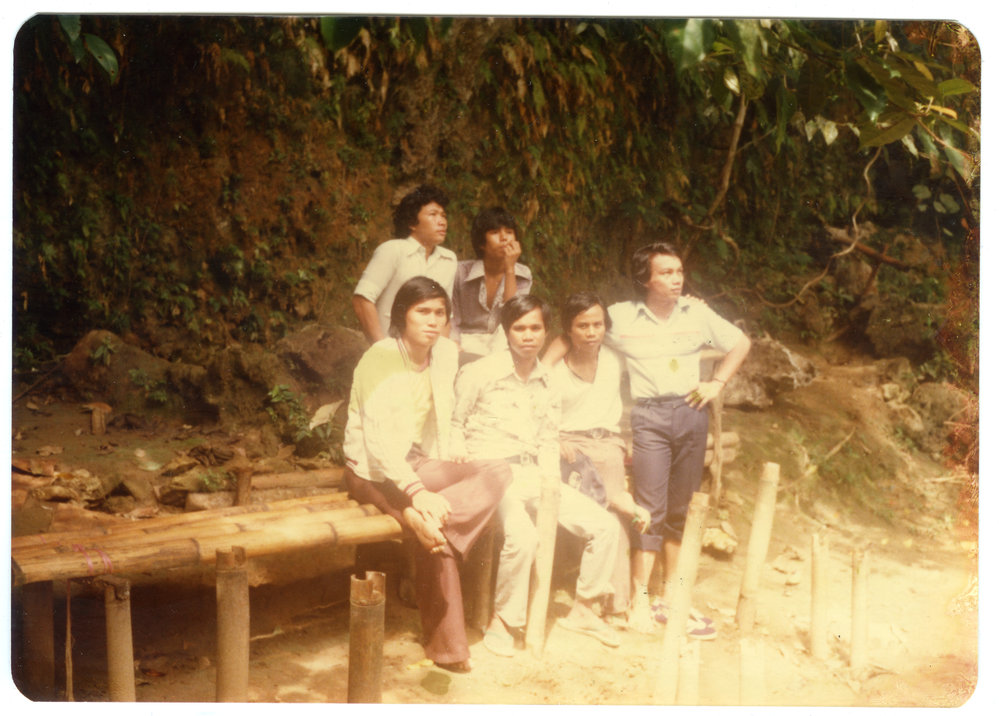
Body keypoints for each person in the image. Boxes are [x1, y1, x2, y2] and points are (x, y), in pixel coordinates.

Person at [342, 276, 512, 673]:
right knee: (438, 541)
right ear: (402, 315)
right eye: (423, 312)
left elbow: (445, 411)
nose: (433, 321)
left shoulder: (446, 353)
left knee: (498, 470)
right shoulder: (380, 358)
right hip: (371, 471)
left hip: (418, 461)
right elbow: (380, 443)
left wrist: (452, 448)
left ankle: (435, 521)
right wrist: (418, 495)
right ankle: (449, 650)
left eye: (440, 313)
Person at [450, 295, 622, 656]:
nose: (528, 336)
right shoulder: (480, 372)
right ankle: (504, 621)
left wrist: (550, 491)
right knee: (524, 537)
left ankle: (584, 609)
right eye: (519, 328)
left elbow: (547, 438)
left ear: (546, 333)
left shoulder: (548, 380)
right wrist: (462, 461)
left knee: (604, 526)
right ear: (506, 331)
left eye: (535, 328)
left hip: (533, 473)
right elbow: (455, 423)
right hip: (490, 474)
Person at [604, 242, 750, 634]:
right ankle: (640, 602)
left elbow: (740, 342)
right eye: (665, 272)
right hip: (649, 415)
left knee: (682, 510)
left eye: (679, 271)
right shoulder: (620, 316)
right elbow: (582, 327)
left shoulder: (696, 313)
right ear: (645, 279)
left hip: (691, 411)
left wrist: (716, 382)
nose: (675, 279)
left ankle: (674, 599)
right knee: (649, 507)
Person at [548, 291, 651, 627]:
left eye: (597, 324)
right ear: (568, 330)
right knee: (613, 504)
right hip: (569, 444)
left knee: (611, 499)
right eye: (582, 326)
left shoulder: (614, 358)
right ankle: (615, 604)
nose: (591, 332)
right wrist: (555, 437)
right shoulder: (554, 364)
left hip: (607, 443)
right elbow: (535, 398)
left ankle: (616, 602)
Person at [352, 185, 457, 343]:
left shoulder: (449, 259)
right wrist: (381, 346)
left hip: (428, 353)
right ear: (412, 223)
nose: (441, 221)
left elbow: (445, 313)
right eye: (433, 214)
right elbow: (362, 299)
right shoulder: (392, 250)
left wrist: (442, 353)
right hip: (390, 345)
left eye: (443, 215)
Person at [451, 206, 532, 359]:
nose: (504, 238)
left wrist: (510, 269)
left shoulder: (523, 274)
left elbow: (513, 315)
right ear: (482, 243)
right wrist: (454, 345)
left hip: (503, 342)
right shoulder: (460, 272)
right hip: (465, 342)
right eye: (495, 232)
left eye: (509, 232)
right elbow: (451, 317)